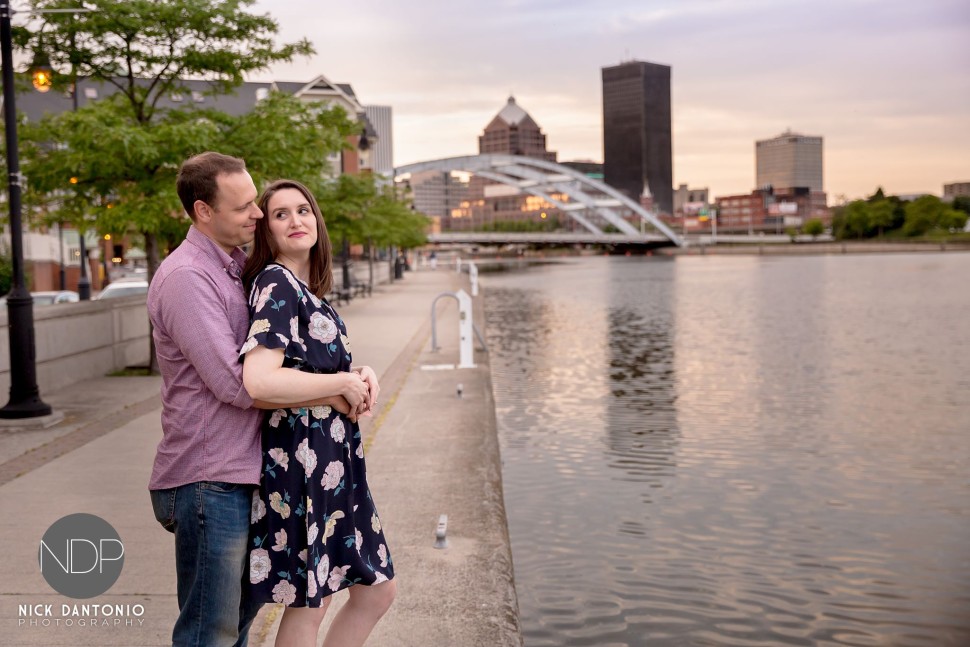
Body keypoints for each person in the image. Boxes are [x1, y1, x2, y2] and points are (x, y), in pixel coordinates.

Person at [148, 153, 353, 647]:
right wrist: (338, 390)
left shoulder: (237, 266)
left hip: (243, 474)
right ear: (202, 211)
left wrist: (346, 375)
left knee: (235, 629)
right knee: (209, 634)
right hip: (206, 478)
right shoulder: (187, 279)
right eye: (244, 208)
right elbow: (238, 384)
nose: (258, 215)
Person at [240, 179, 397, 647]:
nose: (295, 220)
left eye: (303, 210)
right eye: (280, 214)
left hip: (334, 459)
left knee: (377, 592)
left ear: (317, 220)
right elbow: (259, 380)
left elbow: (310, 366)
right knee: (312, 600)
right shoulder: (275, 283)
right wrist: (340, 385)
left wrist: (357, 373)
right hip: (302, 463)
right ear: (265, 230)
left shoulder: (307, 291)